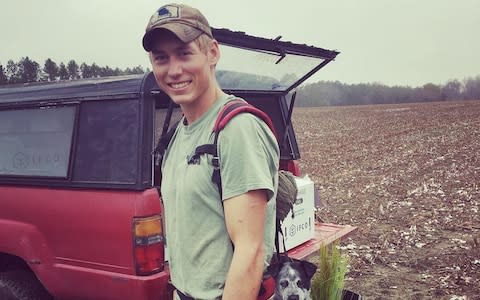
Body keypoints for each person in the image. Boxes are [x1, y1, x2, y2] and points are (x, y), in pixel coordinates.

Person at [142, 3, 279, 300]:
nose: (173, 70)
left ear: (212, 53)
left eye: (184, 53)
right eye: (161, 58)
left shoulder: (236, 129)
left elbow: (251, 252)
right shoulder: (179, 133)